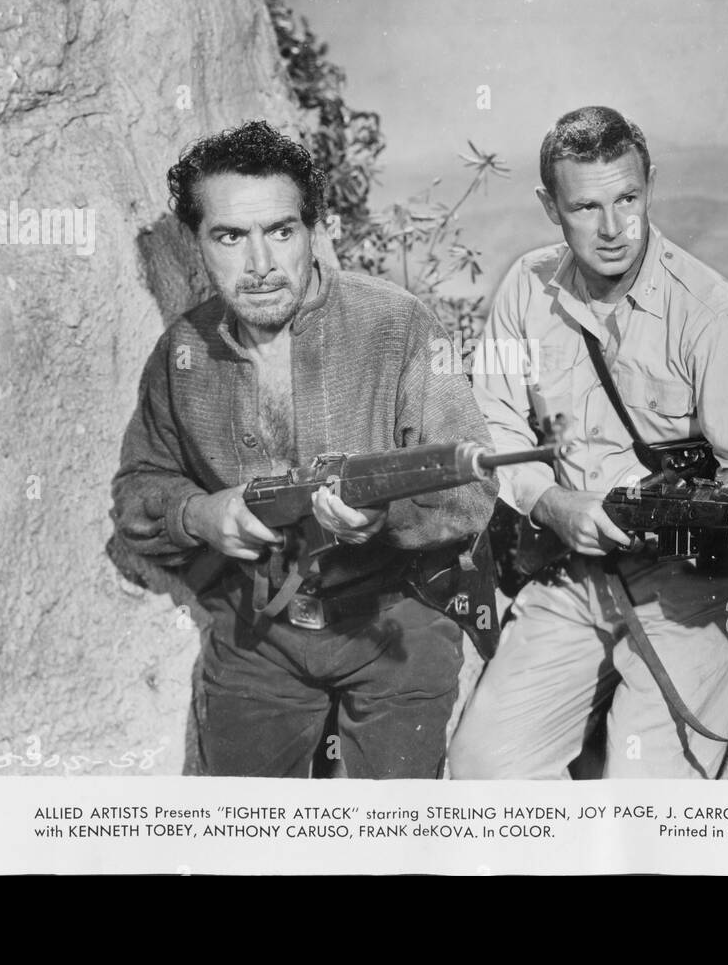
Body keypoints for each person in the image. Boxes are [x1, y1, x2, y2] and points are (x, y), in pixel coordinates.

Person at [111, 120, 496, 779]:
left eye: (281, 231)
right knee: (240, 842)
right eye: (231, 236)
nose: (260, 265)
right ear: (198, 242)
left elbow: (470, 490)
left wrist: (385, 519)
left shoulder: (397, 323)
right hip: (259, 631)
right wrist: (203, 514)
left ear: (312, 230)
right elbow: (139, 488)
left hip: (397, 617)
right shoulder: (182, 353)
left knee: (393, 846)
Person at [449, 106, 728, 780]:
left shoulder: (709, 310)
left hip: (689, 588)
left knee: (644, 794)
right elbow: (493, 427)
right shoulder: (526, 290)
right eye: (586, 206)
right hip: (572, 574)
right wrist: (552, 502)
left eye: (629, 198)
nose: (613, 228)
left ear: (651, 185)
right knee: (482, 772)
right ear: (549, 205)